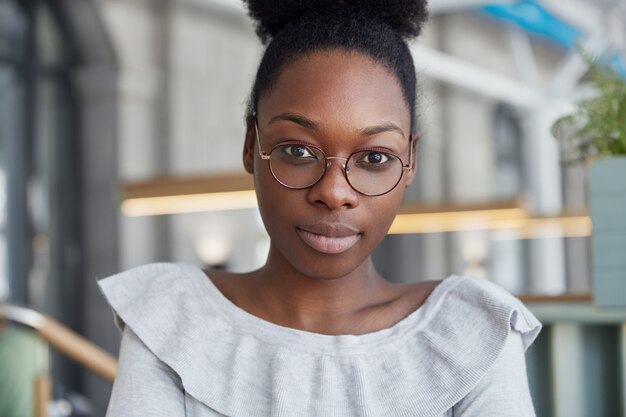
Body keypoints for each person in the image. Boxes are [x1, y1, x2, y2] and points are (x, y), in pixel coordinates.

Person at [99, 0, 541, 415]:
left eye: (373, 158)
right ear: (252, 146)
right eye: (298, 151)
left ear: (410, 162)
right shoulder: (173, 321)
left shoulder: (469, 335)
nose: (334, 192)